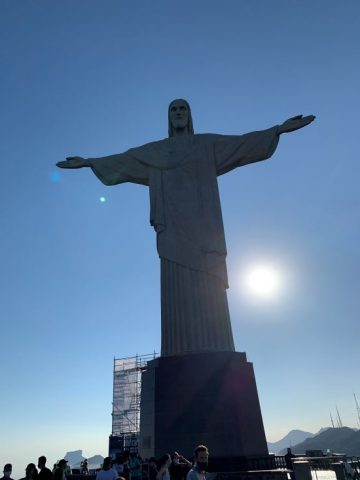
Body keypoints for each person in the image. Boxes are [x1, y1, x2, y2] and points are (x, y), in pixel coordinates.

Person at [57, 100, 315, 357]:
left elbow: (241, 144)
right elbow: (125, 160)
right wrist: (90, 162)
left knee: (210, 289)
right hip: (173, 232)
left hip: (205, 230)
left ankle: (218, 347)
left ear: (190, 116)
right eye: (174, 109)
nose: (179, 113)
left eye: (183, 109)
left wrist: (277, 130)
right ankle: (177, 351)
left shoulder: (206, 145)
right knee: (176, 289)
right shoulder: (156, 151)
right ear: (168, 118)